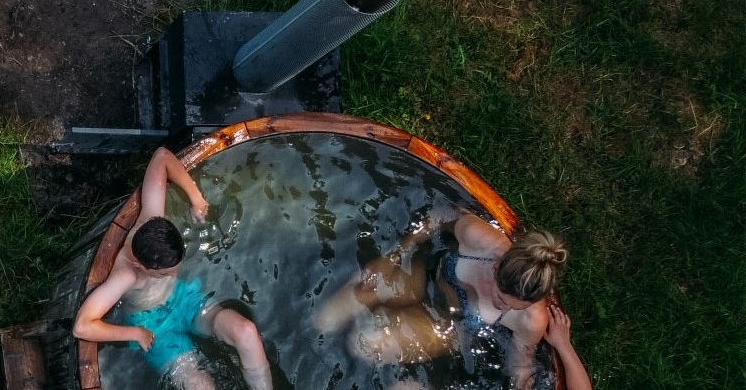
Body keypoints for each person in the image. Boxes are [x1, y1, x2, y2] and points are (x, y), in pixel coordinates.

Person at [312, 213, 591, 390]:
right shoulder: (479, 239)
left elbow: (519, 366)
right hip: (423, 277)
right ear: (496, 269)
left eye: (511, 308)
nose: (503, 308)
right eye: (501, 299)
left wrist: (521, 384)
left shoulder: (531, 319)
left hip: (444, 324)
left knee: (364, 343)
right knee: (322, 321)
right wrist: (393, 257)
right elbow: (435, 219)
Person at [73, 148, 274, 390]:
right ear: (140, 264)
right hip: (154, 328)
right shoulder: (125, 276)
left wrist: (196, 198)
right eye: (165, 273)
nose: (174, 274)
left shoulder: (151, 220)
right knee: (201, 387)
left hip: (184, 299)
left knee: (245, 331)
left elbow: (161, 157)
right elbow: (82, 326)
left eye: (176, 267)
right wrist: (135, 333)